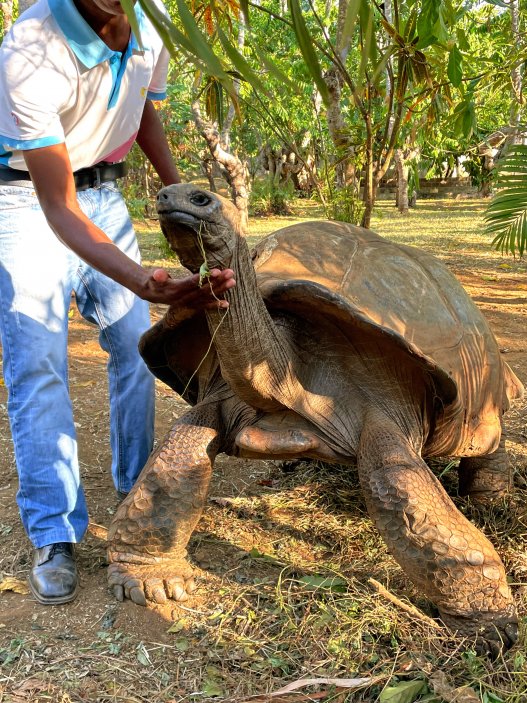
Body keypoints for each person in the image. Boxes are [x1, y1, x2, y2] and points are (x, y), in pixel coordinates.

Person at [0, 0, 235, 605]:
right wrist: (140, 277)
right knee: (38, 361)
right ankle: (54, 532)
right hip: (26, 201)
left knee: (137, 345)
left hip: (105, 191)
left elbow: (143, 112)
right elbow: (58, 208)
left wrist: (175, 190)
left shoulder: (150, 25)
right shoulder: (30, 48)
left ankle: (139, 491)